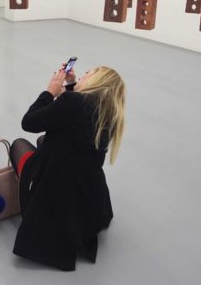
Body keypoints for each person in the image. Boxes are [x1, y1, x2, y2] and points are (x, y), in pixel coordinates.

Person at [9, 64, 125, 271]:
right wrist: (71, 84)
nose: (83, 74)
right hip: (86, 189)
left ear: (96, 81)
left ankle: (26, 188)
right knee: (44, 140)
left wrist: (49, 92)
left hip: (56, 186)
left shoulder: (71, 102)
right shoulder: (110, 110)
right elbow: (78, 115)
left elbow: (28, 122)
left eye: (88, 73)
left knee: (18, 144)